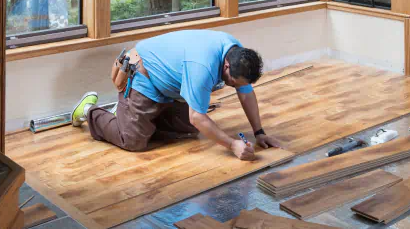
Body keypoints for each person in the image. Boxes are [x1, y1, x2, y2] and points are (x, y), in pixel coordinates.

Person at [70, 30, 282, 160]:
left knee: (187, 131)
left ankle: (128, 114)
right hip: (144, 77)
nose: (235, 87)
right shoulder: (203, 66)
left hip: (170, 88)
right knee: (133, 141)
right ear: (226, 65)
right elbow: (197, 116)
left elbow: (246, 94)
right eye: (233, 83)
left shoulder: (237, 55)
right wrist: (232, 145)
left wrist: (259, 132)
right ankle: (91, 111)